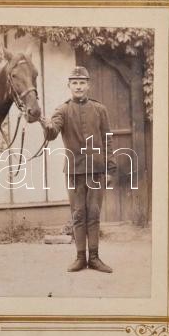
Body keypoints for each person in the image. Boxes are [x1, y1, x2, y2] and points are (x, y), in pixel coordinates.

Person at [42, 66, 116, 273]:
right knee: (78, 214)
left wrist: (110, 168)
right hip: (74, 172)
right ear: (69, 85)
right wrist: (46, 124)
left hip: (96, 170)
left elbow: (107, 139)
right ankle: (80, 258)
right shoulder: (62, 110)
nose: (78, 87)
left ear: (88, 85)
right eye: (74, 83)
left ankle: (95, 258)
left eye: (82, 82)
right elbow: (52, 133)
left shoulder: (100, 110)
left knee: (94, 213)